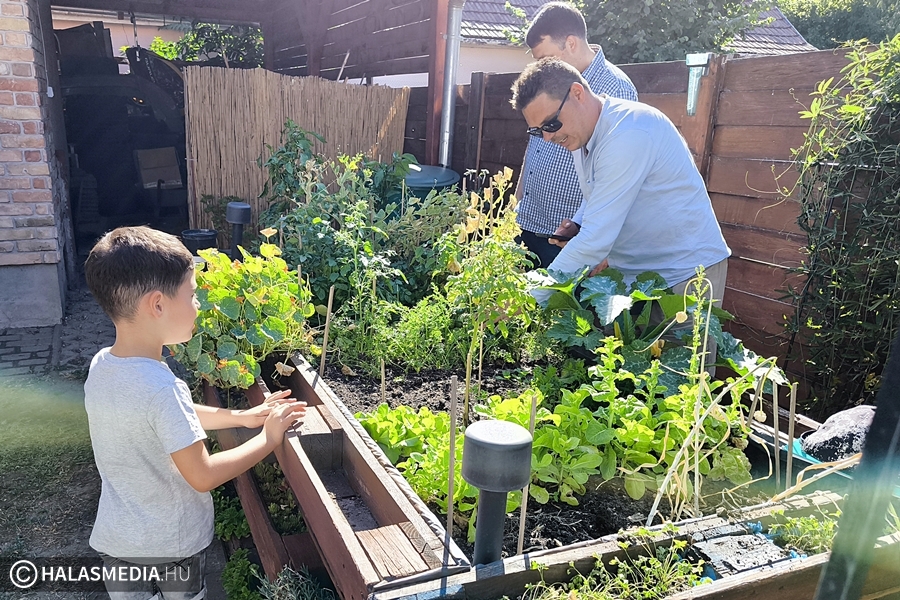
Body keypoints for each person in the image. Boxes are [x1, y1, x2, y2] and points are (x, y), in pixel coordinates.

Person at [83, 226, 307, 599]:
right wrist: (268, 439)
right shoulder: (162, 389)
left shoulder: (103, 365)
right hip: (173, 545)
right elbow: (202, 475)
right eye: (191, 295)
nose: (198, 305)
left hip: (118, 540)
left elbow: (165, 419)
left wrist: (240, 417)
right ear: (157, 305)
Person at [510, 57, 731, 310]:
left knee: (688, 339)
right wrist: (579, 222)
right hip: (638, 279)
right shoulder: (583, 134)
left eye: (551, 123)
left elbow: (595, 240)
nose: (548, 137)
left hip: (685, 276)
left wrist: (523, 302)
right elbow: (602, 189)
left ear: (577, 93)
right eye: (538, 131)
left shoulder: (628, 132)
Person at [516, 2, 638, 267]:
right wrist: (518, 200)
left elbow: (616, 175)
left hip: (568, 237)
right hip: (528, 222)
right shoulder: (548, 86)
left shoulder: (616, 88)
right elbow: (535, 146)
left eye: (546, 59)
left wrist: (587, 231)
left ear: (571, 43)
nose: (541, 67)